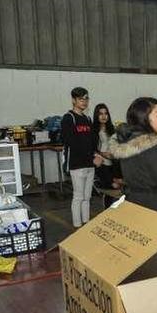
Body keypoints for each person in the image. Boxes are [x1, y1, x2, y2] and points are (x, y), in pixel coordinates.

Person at [62, 87, 100, 228]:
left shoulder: (87, 118)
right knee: (78, 196)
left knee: (87, 197)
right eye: (80, 99)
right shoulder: (68, 118)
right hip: (77, 165)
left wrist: (96, 154)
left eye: (86, 99)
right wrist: (91, 158)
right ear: (73, 100)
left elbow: (91, 142)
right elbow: (72, 143)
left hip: (89, 164)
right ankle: (77, 226)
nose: (84, 102)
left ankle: (87, 223)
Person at [92, 103, 121, 206]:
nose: (104, 116)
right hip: (101, 163)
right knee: (113, 187)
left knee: (118, 188)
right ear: (96, 115)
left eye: (106, 113)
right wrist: (103, 154)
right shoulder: (94, 130)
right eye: (100, 114)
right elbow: (92, 149)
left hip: (113, 163)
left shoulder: (112, 129)